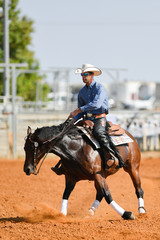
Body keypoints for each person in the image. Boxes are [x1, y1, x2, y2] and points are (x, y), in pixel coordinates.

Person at [51, 64, 124, 175]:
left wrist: (79, 109)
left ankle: (110, 155)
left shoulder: (100, 88)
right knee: (69, 134)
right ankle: (64, 164)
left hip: (100, 118)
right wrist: (71, 121)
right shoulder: (82, 92)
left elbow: (97, 105)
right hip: (87, 119)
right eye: (82, 74)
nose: (83, 77)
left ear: (92, 75)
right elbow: (80, 113)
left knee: (99, 132)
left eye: (86, 74)